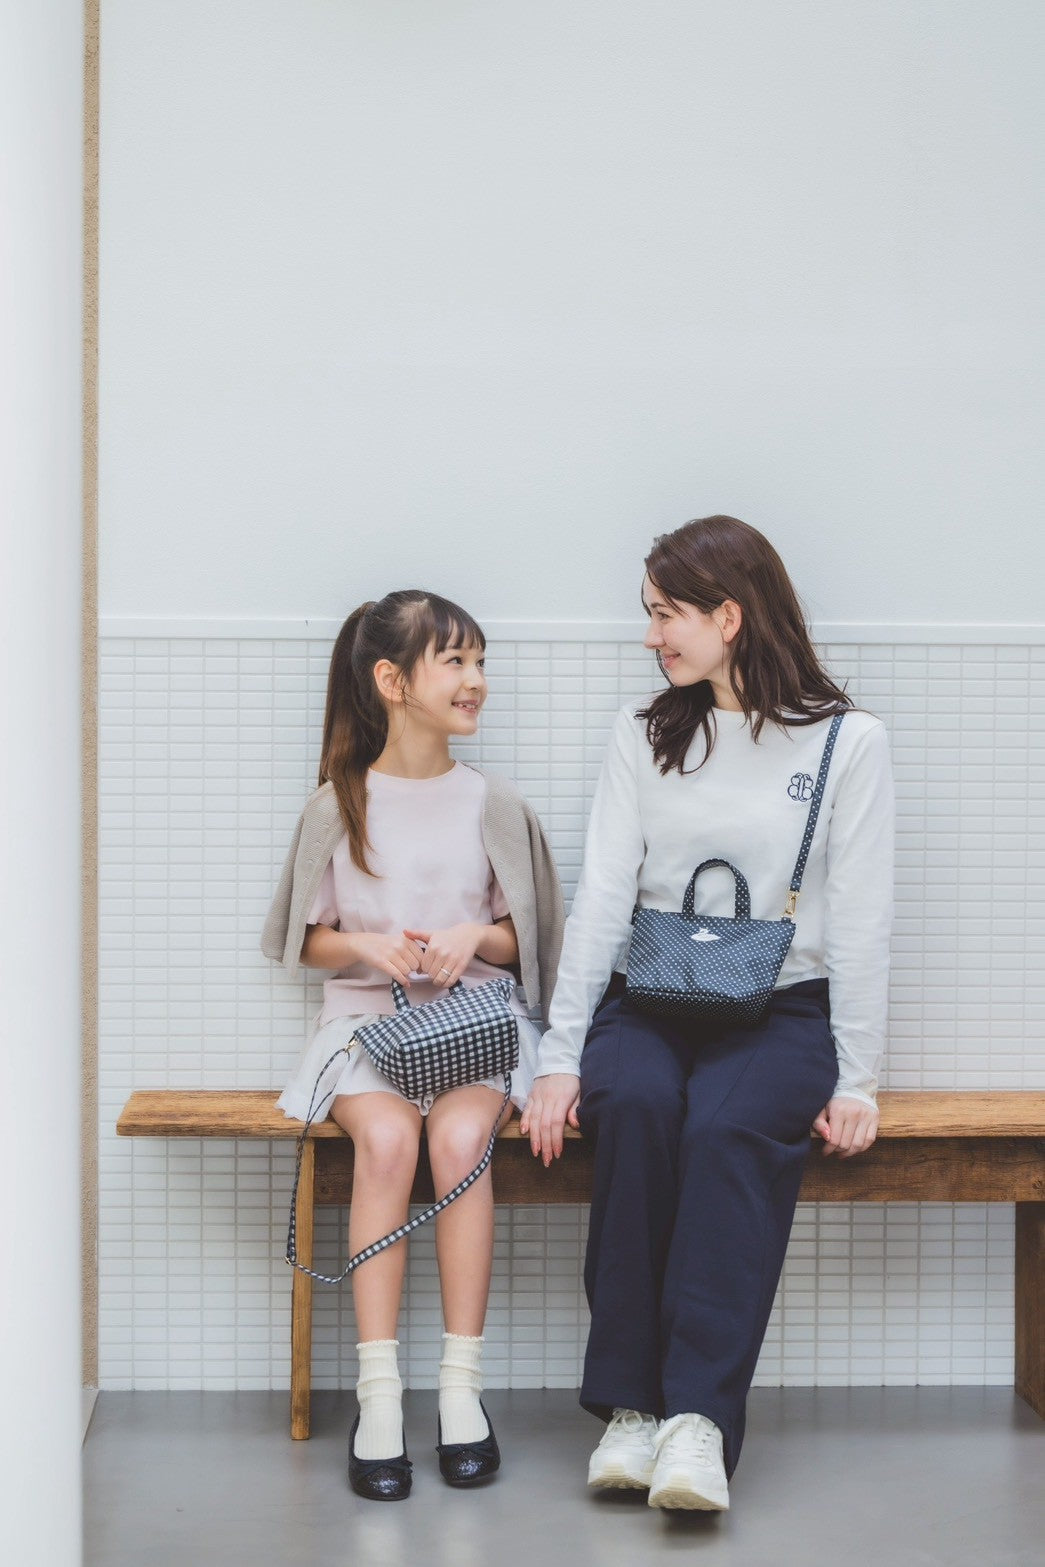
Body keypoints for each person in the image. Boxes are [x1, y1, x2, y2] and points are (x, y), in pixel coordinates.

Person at [520, 515, 893, 1513]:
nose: (650, 636)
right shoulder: (645, 733)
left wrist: (857, 1079)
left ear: (729, 616)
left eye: (665, 614)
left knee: (726, 1130)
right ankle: (631, 1411)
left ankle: (696, 1421)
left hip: (783, 1010)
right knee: (636, 1106)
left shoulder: (848, 742)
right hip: (646, 999)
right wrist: (559, 1056)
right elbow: (602, 896)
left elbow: (861, 919)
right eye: (648, 614)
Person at [262, 590, 563, 1502]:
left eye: (479, 661)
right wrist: (367, 945)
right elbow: (302, 940)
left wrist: (476, 936)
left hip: (475, 1025)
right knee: (389, 1142)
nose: (476, 680)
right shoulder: (338, 804)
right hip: (365, 1026)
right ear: (392, 681)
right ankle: (379, 1395)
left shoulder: (494, 804)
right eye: (455, 662)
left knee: (461, 1140)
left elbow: (529, 939)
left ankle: (461, 1391)